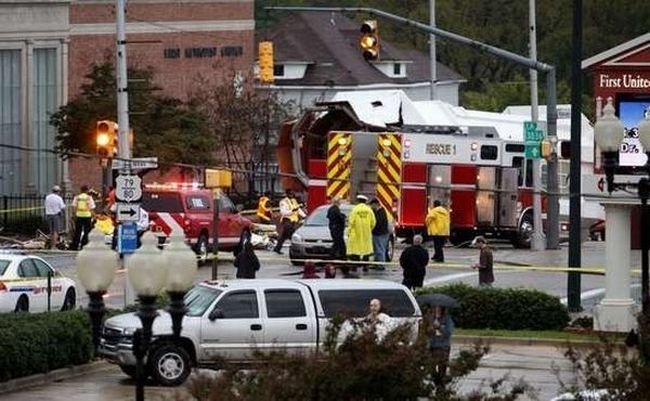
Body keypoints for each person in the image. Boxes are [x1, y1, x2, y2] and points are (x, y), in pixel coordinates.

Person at [346, 194, 376, 274]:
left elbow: (351, 222)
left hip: (355, 234)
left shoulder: (355, 210)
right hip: (366, 234)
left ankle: (354, 267)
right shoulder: (369, 210)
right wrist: (369, 229)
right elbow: (373, 222)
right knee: (366, 251)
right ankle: (365, 267)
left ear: (358, 200)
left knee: (355, 251)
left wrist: (348, 232)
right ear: (365, 201)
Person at [427, 305, 454, 387]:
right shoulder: (431, 319)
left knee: (442, 369)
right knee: (431, 368)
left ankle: (441, 388)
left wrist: (439, 327)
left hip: (443, 347)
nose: (436, 310)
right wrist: (430, 330)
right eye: (435, 308)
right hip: (432, 347)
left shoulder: (447, 319)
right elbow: (426, 332)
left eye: (439, 308)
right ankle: (438, 383)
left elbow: (448, 333)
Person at [273, 190, 302, 255]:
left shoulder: (294, 201)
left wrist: (305, 216)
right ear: (287, 194)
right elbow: (283, 212)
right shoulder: (283, 202)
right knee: (292, 235)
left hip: (293, 221)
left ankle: (277, 248)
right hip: (287, 220)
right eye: (290, 194)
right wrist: (292, 211)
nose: (291, 195)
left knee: (284, 236)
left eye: (292, 194)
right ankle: (295, 250)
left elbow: (298, 209)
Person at [71, 185, 96, 250]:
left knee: (77, 231)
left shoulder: (77, 197)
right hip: (87, 216)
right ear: (87, 190)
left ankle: (75, 246)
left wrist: (74, 215)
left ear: (81, 190)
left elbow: (74, 207)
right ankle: (83, 245)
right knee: (86, 231)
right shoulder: (89, 198)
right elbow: (92, 208)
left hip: (78, 216)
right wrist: (94, 216)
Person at [44, 185, 66, 249]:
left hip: (48, 215)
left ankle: (51, 245)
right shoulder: (59, 198)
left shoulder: (47, 197)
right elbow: (62, 207)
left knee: (51, 231)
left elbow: (46, 206)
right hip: (56, 215)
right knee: (56, 231)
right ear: (58, 191)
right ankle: (54, 246)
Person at [370, 198, 390, 267]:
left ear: (376, 204)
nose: (371, 207)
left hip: (380, 234)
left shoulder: (381, 212)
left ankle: (381, 265)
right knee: (376, 250)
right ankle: (376, 264)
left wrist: (372, 226)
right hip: (378, 233)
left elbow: (378, 222)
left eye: (372, 205)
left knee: (380, 249)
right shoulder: (377, 211)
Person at [327, 196, 346, 260]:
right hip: (337, 230)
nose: (340, 204)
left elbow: (330, 217)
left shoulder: (331, 209)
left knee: (337, 244)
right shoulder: (335, 209)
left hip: (333, 229)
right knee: (339, 244)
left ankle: (337, 257)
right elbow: (340, 218)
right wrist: (343, 217)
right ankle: (340, 257)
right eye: (339, 202)